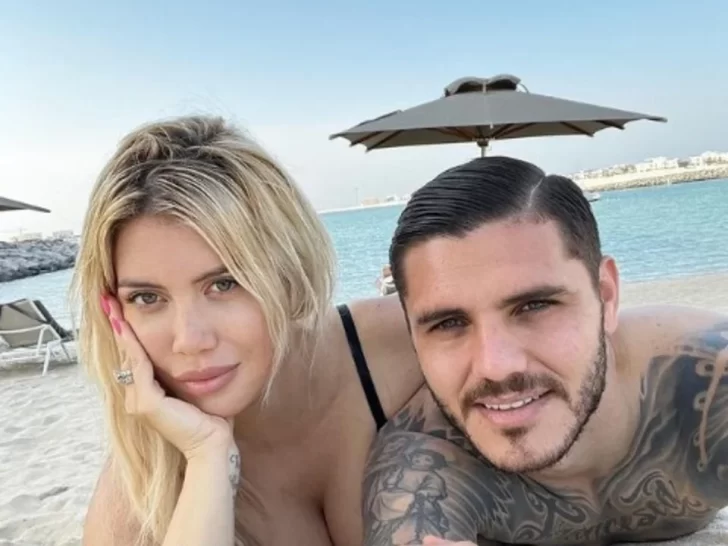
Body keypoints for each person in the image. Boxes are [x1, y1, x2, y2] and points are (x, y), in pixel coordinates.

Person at [73, 115, 424, 546]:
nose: (190, 340)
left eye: (224, 284)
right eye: (147, 298)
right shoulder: (137, 500)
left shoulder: (410, 343)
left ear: (289, 270)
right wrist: (207, 457)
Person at [361, 156, 728, 546]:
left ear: (606, 297)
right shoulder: (422, 466)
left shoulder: (705, 387)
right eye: (449, 323)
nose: (495, 366)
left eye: (534, 306)